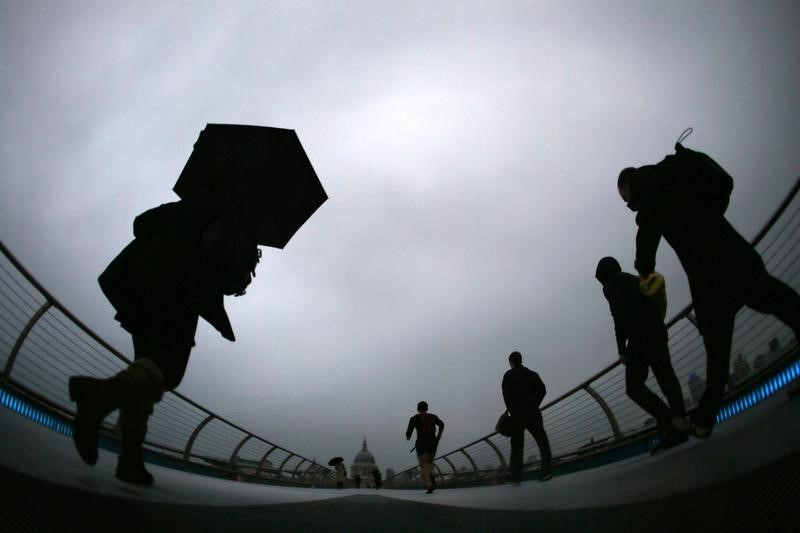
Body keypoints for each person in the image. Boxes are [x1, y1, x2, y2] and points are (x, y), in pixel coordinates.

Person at [68, 187, 258, 486]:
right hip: (175, 296)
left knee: (147, 371)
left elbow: (142, 222)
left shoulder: (186, 208)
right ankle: (98, 398)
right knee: (167, 371)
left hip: (136, 286)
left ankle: (130, 461)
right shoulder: (225, 216)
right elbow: (228, 278)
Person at [618, 161, 800, 438]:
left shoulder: (649, 195)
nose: (629, 204)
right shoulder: (673, 172)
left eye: (625, 198)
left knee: (717, 344)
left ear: (629, 185)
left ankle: (704, 418)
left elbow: (646, 250)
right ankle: (704, 415)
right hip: (736, 253)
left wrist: (644, 272)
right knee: (784, 304)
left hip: (709, 275)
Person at [595, 257, 688, 451]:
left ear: (603, 276)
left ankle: (667, 420)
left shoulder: (611, 285)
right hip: (657, 331)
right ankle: (680, 425)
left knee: (634, 386)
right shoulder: (633, 279)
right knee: (666, 377)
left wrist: (622, 349)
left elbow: (618, 315)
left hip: (639, 338)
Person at [502, 351, 552, 482]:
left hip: (518, 417)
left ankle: (516, 477)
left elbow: (506, 397)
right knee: (542, 442)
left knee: (517, 446)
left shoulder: (508, 376)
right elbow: (542, 390)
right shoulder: (532, 374)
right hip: (533, 413)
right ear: (521, 360)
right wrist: (535, 404)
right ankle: (547, 471)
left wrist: (513, 411)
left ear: (511, 362)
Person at [405, 401, 444, 494]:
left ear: (418, 409)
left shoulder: (414, 419)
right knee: (430, 462)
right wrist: (438, 437)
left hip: (421, 443)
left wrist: (408, 437)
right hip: (433, 443)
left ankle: (430, 486)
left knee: (423, 465)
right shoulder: (433, 416)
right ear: (427, 408)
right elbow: (442, 425)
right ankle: (431, 476)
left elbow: (408, 433)